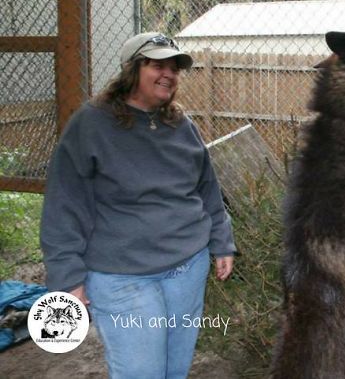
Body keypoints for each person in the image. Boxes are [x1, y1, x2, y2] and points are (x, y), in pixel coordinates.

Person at [40, 32, 237, 378]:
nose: (169, 74)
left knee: (175, 370)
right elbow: (62, 206)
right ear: (132, 70)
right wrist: (67, 276)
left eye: (174, 68)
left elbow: (208, 189)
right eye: (158, 64)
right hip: (122, 276)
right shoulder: (91, 124)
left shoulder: (181, 125)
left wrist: (222, 240)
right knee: (141, 372)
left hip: (187, 269)